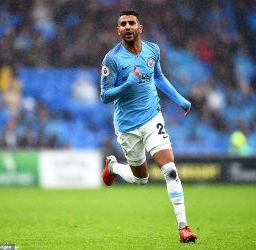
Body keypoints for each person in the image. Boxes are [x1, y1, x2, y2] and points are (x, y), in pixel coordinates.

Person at [100, 10, 197, 243]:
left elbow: (159, 77)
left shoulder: (153, 50)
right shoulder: (112, 59)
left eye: (131, 23)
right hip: (127, 127)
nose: (127, 26)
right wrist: (128, 84)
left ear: (140, 28)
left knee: (170, 170)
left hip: (153, 119)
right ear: (118, 31)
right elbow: (105, 96)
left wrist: (180, 99)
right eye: (122, 24)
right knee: (140, 179)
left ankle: (184, 228)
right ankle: (113, 167)